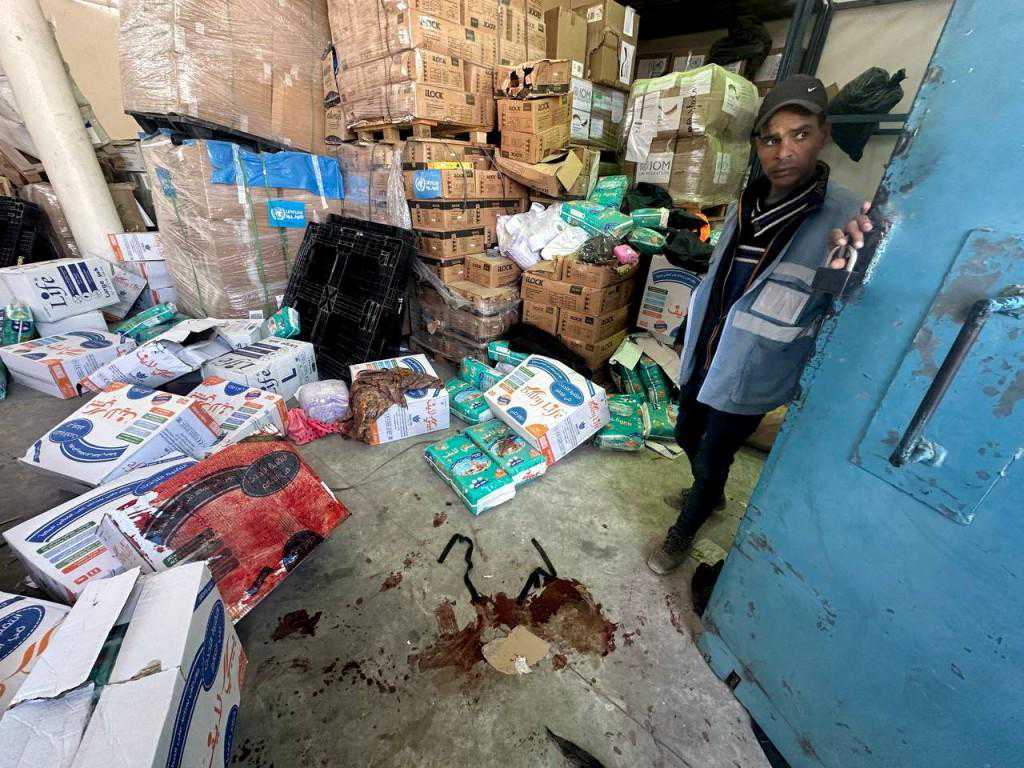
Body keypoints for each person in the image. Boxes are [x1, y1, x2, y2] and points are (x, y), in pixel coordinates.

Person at [648, 74, 874, 575]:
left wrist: (852, 259)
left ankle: (692, 518)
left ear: (824, 135)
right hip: (710, 349)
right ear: (757, 146)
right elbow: (720, 276)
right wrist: (687, 330)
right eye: (771, 139)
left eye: (800, 135)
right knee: (686, 432)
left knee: (714, 452)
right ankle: (710, 493)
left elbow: (847, 303)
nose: (784, 151)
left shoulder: (846, 216)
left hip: (758, 364)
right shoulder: (745, 202)